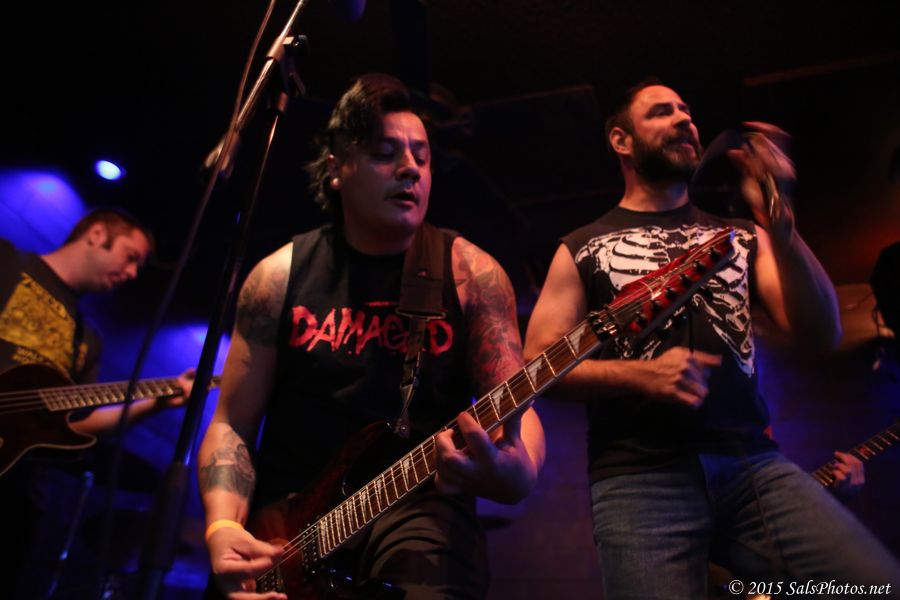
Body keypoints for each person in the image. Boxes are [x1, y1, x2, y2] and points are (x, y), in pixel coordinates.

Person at [523, 79, 900, 599]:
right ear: (621, 140)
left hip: (753, 466)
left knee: (876, 586)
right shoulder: (582, 246)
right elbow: (536, 368)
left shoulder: (743, 235)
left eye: (687, 111)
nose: (685, 119)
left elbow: (821, 333)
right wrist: (638, 375)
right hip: (639, 480)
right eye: (662, 112)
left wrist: (782, 223)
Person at [198, 73, 545, 599]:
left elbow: (516, 405)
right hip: (285, 532)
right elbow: (233, 422)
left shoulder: (472, 274)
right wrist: (222, 525)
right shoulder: (277, 277)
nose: (410, 168)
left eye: (422, 157)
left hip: (421, 507)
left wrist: (518, 470)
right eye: (386, 153)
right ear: (336, 168)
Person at [0, 207, 193, 597]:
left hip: (13, 491)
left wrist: (154, 404)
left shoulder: (87, 339)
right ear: (97, 234)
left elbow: (77, 425)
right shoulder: (9, 263)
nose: (133, 273)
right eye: (130, 256)